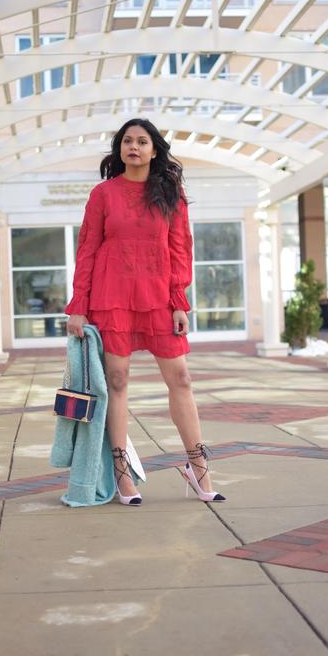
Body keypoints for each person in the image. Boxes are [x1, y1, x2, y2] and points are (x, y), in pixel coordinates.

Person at [65, 118, 226, 506]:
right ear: (119, 149)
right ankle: (122, 471)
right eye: (126, 141)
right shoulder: (103, 194)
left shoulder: (171, 194)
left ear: (155, 150)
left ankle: (197, 464)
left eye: (141, 141)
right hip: (111, 296)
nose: (133, 146)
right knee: (117, 382)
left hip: (157, 298)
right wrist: (78, 307)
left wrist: (178, 300)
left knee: (182, 378)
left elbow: (180, 249)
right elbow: (87, 250)